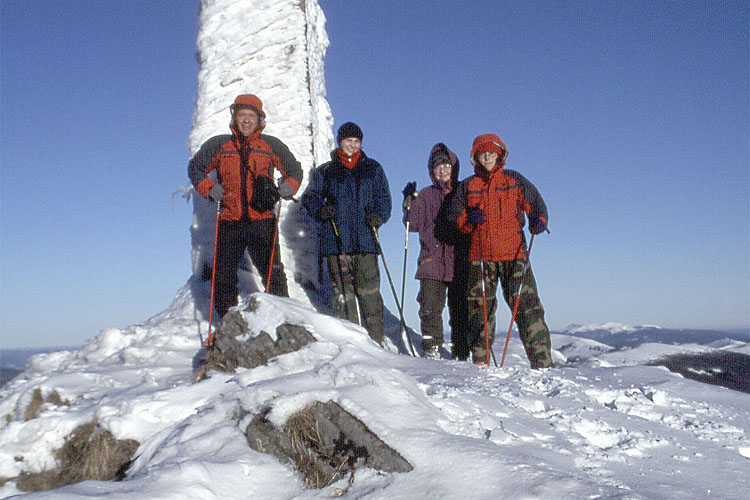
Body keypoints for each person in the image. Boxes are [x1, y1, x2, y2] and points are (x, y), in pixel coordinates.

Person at [188, 94, 302, 318]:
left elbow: (294, 169)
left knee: (273, 274)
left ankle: (285, 321)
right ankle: (228, 325)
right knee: (223, 278)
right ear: (234, 118)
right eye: (242, 115)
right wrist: (208, 188)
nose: (246, 120)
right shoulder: (219, 145)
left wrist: (289, 186)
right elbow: (195, 168)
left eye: (251, 116)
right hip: (230, 221)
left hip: (262, 221)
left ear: (260, 120)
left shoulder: (270, 145)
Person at [448, 133, 553, 368]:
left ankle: (543, 364)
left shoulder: (514, 180)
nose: (487, 157)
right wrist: (469, 219)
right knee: (480, 312)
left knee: (528, 308)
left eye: (491, 152)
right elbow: (454, 219)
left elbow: (536, 204)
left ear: (500, 155)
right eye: (482, 153)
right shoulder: (467, 186)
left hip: (515, 255)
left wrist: (539, 219)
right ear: (475, 157)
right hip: (480, 257)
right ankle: (481, 364)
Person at [301, 122, 391, 345]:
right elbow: (309, 198)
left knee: (370, 295)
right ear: (339, 141)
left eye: (356, 141)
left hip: (365, 242)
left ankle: (376, 342)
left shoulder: (373, 168)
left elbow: (384, 199)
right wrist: (322, 211)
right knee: (343, 297)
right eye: (348, 140)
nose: (352, 145)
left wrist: (378, 217)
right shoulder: (326, 171)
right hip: (336, 241)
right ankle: (353, 345)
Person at [402, 143, 470, 360]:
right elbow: (411, 225)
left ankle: (461, 353)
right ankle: (432, 351)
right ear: (431, 171)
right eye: (438, 166)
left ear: (454, 167)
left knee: (460, 311)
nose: (442, 170)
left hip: (459, 260)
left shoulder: (463, 191)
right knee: (430, 309)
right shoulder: (424, 195)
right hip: (431, 261)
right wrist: (408, 203)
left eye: (446, 165)